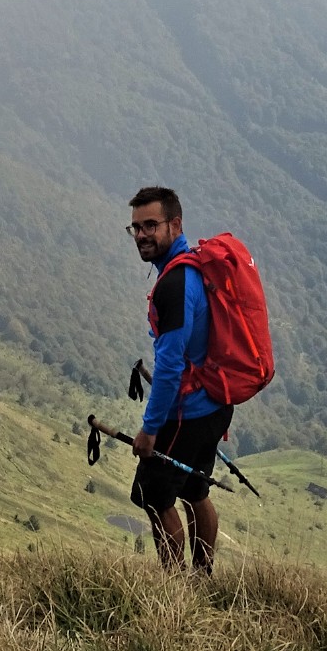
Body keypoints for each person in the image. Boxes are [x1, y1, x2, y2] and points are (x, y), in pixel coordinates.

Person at [125, 186, 233, 575]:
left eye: (150, 225)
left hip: (187, 411)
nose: (142, 235)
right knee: (195, 488)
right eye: (135, 228)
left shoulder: (173, 284)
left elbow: (169, 368)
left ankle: (174, 591)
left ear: (175, 224)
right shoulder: (194, 266)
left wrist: (150, 430)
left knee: (153, 496)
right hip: (217, 403)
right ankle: (203, 579)